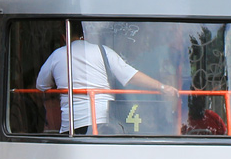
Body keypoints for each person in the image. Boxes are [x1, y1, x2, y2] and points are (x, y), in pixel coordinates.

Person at [36, 21, 177, 134]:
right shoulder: (102, 51)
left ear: (64, 37)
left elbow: (41, 85)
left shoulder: (56, 55)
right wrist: (162, 87)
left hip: (70, 124)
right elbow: (130, 76)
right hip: (101, 122)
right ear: (85, 34)